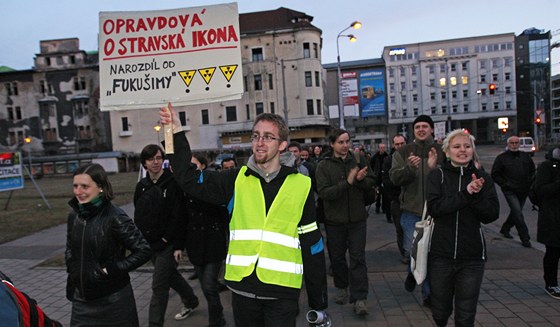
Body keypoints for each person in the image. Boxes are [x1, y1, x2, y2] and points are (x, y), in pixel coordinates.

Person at [160, 104, 329, 327]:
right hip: (242, 291)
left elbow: (312, 244)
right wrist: (174, 132)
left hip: (282, 294)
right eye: (256, 136)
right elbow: (187, 178)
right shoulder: (235, 180)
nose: (259, 142)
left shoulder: (302, 185)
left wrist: (318, 303)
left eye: (268, 137)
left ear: (283, 145)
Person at [426, 129, 499, 326]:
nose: (462, 150)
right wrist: (466, 194)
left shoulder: (483, 178)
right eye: (456, 146)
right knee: (440, 308)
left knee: (466, 312)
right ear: (447, 151)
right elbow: (435, 209)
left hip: (472, 256)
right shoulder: (437, 176)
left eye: (467, 146)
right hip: (441, 254)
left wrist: (475, 197)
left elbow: (492, 214)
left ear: (473, 150)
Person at [65, 163, 151, 327]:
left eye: (84, 186)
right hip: (81, 301)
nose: (78, 191)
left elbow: (144, 250)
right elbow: (70, 247)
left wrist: (112, 269)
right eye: (75, 186)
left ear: (101, 187)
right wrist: (72, 267)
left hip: (113, 301)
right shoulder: (74, 216)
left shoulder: (115, 217)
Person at [133, 144, 199, 326]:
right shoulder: (142, 186)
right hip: (150, 243)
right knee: (170, 276)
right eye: (151, 159)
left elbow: (179, 216)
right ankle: (191, 300)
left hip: (168, 244)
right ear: (144, 163)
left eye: (158, 158)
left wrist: (177, 245)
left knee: (159, 285)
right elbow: (138, 214)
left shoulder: (172, 184)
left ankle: (155, 324)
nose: (155, 162)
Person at [315, 128, 376, 316]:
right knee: (337, 258)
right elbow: (324, 193)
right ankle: (342, 287)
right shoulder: (323, 166)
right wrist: (347, 183)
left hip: (357, 219)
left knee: (358, 258)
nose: (345, 146)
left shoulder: (357, 159)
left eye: (347, 141)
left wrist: (360, 180)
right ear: (332, 144)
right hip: (334, 221)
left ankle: (359, 299)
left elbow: (372, 181)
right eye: (340, 142)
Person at [389, 114, 445, 307]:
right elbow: (394, 178)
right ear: (413, 131)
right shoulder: (404, 151)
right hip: (411, 210)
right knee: (412, 250)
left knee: (428, 253)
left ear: (431, 129)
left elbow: (450, 178)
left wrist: (433, 168)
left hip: (436, 211)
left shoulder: (441, 150)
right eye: (417, 127)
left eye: (425, 126)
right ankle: (413, 272)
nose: (421, 130)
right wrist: (409, 169)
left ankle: (428, 295)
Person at [183, 154, 229, 327]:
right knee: (205, 286)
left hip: (213, 243)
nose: (191, 169)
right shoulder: (185, 188)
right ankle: (218, 314)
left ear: (203, 166)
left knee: (209, 285)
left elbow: (224, 214)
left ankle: (217, 320)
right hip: (194, 244)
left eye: (194, 165)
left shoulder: (214, 185)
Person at [491, 136, 536, 248]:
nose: (514, 145)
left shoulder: (525, 157)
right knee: (518, 213)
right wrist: (505, 184)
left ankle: (505, 228)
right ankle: (525, 238)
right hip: (510, 190)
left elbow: (532, 171)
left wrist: (530, 182)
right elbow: (495, 174)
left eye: (516, 143)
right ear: (508, 144)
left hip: (523, 189)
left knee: (516, 212)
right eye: (512, 143)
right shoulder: (501, 158)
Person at [535, 148, 560, 299]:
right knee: (553, 251)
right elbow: (540, 190)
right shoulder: (548, 166)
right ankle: (551, 283)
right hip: (553, 216)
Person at [382, 134, 407, 263]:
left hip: (412, 199)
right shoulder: (389, 160)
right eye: (397, 144)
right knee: (400, 228)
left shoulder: (412, 156)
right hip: (397, 200)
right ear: (393, 145)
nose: (400, 146)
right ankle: (405, 254)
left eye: (402, 143)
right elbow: (386, 180)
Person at [370, 143, 389, 219]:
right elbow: (371, 166)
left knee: (385, 194)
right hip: (377, 177)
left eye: (383, 147)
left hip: (384, 177)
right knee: (378, 194)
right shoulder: (375, 157)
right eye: (381, 147)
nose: (382, 149)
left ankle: (384, 208)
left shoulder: (387, 156)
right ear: (378, 148)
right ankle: (377, 207)